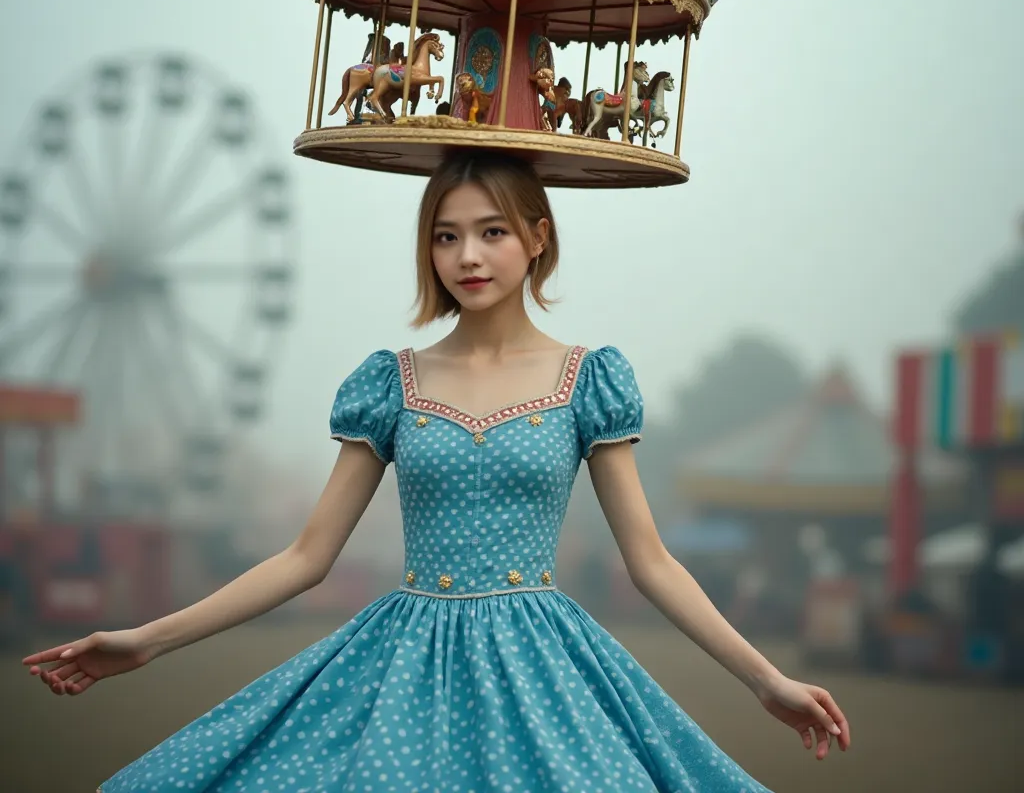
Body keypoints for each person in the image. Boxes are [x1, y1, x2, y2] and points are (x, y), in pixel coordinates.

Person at [24, 150, 850, 792]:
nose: (468, 255)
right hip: (402, 669)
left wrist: (766, 679)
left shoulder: (587, 379)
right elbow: (306, 559)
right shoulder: (393, 381)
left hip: (545, 673)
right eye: (446, 235)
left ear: (538, 237)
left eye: (492, 231)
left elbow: (652, 562)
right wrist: (145, 641)